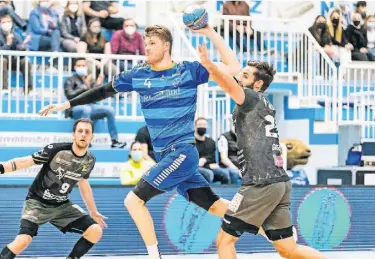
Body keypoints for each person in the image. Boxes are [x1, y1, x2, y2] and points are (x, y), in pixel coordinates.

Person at [39, 23, 242, 259]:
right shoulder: (139, 74)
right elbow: (103, 91)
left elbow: (234, 67)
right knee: (216, 206)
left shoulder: (189, 70)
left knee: (133, 201)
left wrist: (210, 32)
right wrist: (68, 104)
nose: (147, 48)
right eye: (145, 44)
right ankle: (268, 226)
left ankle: (154, 256)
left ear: (166, 46)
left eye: (153, 43)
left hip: (183, 153)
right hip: (168, 157)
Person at [196, 43, 327, 259]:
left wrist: (209, 64)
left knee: (224, 241)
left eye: (245, 75)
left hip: (261, 182)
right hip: (279, 182)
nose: (239, 77)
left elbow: (228, 87)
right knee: (288, 250)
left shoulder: (250, 98)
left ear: (257, 84)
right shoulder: (263, 102)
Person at [0, 119, 107, 259]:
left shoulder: (90, 160)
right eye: (80, 131)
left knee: (95, 230)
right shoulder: (57, 150)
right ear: (74, 135)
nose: (83, 134)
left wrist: (93, 211)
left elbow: (84, 183)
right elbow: (25, 161)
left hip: (62, 205)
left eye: (87, 132)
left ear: (92, 137)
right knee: (23, 240)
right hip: (37, 202)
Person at [64, 58, 126, 148]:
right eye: (79, 65)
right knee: (86, 109)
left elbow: (97, 97)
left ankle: (114, 140)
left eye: (83, 65)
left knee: (110, 110)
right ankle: (85, 141)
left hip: (91, 107)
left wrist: (98, 86)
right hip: (75, 108)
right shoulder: (70, 80)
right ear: (74, 67)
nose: (81, 67)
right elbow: (69, 95)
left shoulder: (90, 79)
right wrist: (84, 87)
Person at [0, 14, 32, 92]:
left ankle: (29, 89)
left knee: (25, 61)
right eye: (4, 22)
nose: (6, 24)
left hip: (13, 60)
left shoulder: (15, 35)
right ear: (0, 24)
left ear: (11, 23)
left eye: (8, 22)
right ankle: (4, 88)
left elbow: (20, 53)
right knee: (3, 60)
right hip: (2, 61)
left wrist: (22, 46)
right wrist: (7, 44)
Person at [195, 117, 240, 184]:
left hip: (209, 166)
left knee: (227, 173)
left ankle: (228, 193)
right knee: (209, 174)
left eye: (204, 125)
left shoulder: (211, 142)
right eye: (200, 125)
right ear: (195, 126)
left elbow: (211, 158)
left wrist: (205, 160)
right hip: (195, 168)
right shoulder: (191, 143)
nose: (202, 126)